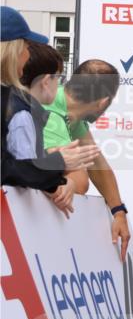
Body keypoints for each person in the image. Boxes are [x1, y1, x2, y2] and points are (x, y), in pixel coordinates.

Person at [40, 58, 131, 261]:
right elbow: (80, 181)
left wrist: (118, 212)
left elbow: (97, 162)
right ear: (103, 102)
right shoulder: (53, 113)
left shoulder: (72, 111)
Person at [4, 39, 97, 216]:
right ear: (46, 81)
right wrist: (58, 179)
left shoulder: (24, 110)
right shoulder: (22, 115)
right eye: (59, 78)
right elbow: (25, 172)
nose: (60, 86)